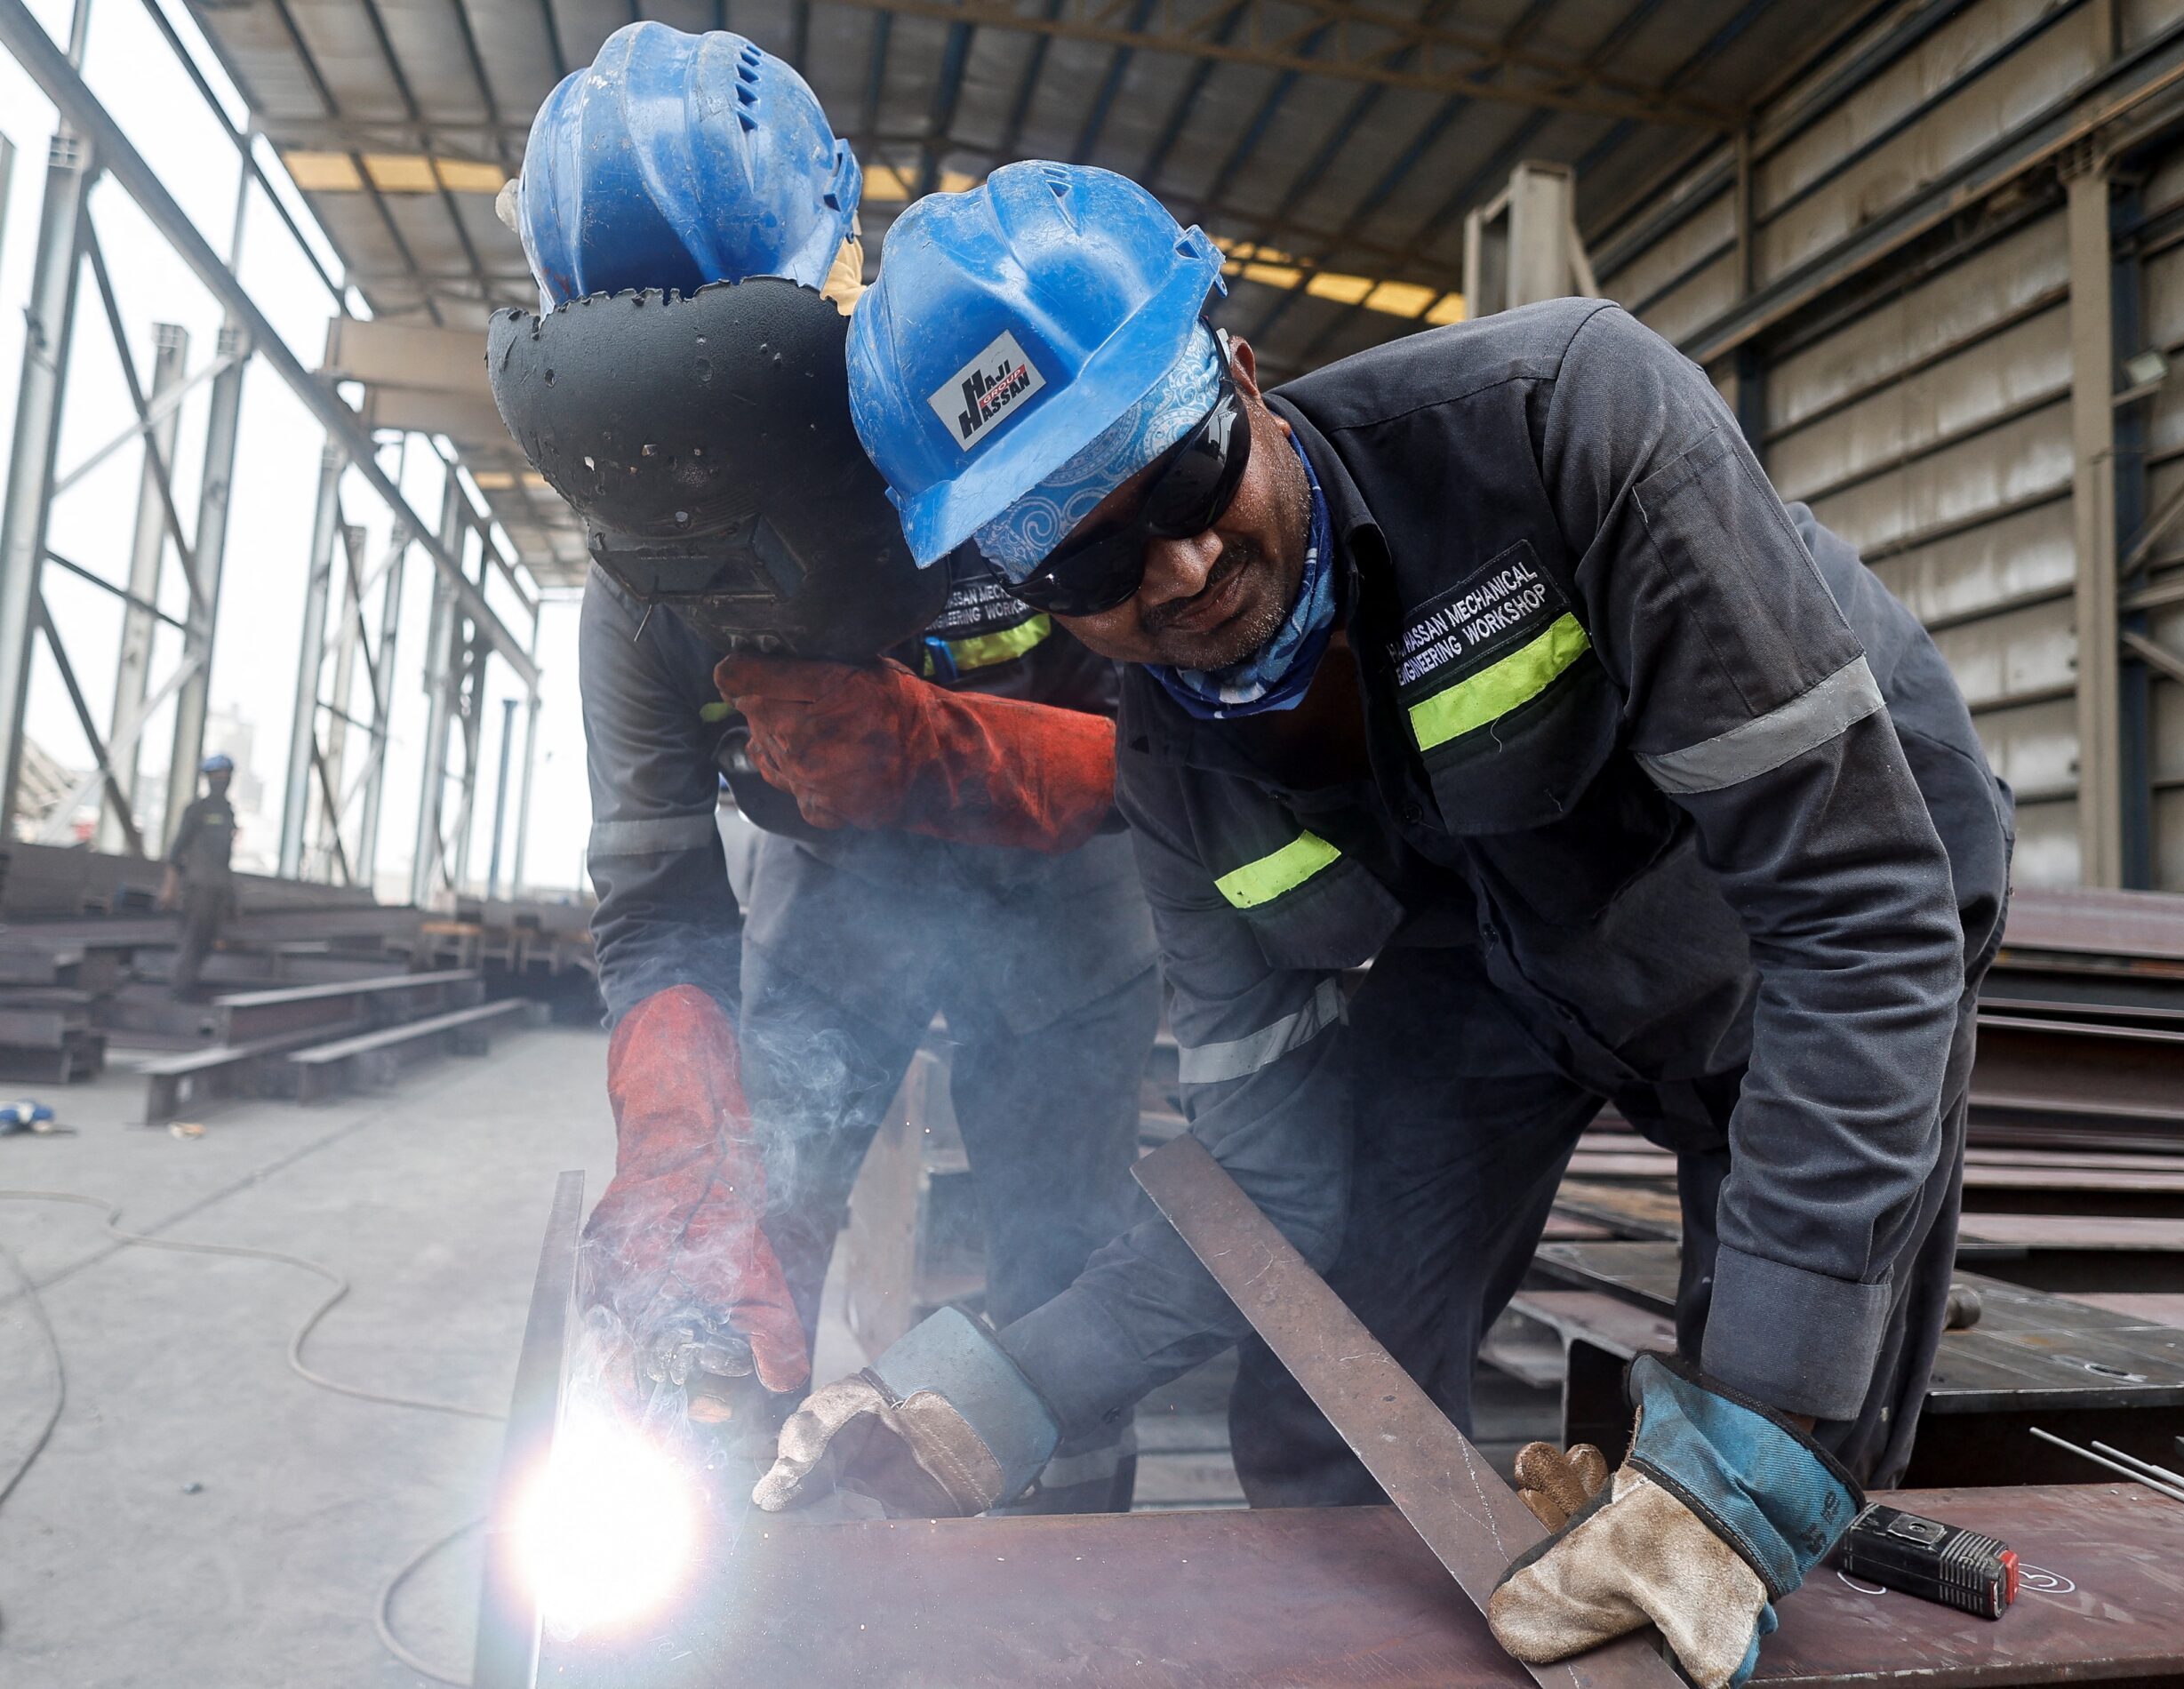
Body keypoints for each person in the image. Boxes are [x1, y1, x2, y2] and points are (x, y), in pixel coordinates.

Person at [756, 163, 2014, 1687]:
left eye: (1187, 474)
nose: (1184, 568)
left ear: (1240, 376)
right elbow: (1272, 1185)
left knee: (1776, 1438)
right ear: (1026, 589)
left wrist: (1746, 1448)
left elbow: (1855, 918)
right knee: (1322, 1383)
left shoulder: (1560, 425)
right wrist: (991, 1392)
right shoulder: (1177, 780)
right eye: (1089, 561)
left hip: (1807, 898)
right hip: (1502, 947)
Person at [493, 28, 1158, 1510]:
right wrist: (679, 1155)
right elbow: (660, 902)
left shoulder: (998, 437)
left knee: (1064, 1287)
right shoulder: (636, 599)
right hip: (833, 920)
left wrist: (951, 757)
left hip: (1069, 923)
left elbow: (1184, 762)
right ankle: (729, 1533)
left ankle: (1075, 1582)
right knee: (740, 1256)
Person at [159, 753, 237, 998]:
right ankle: (178, 991)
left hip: (219, 888)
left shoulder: (228, 812)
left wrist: (232, 896)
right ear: (208, 778)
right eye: (216, 775)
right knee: (193, 940)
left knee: (206, 941)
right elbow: (176, 851)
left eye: (225, 775)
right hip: (199, 888)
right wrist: (170, 887)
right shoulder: (197, 810)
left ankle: (188, 987)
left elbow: (225, 859)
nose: (221, 779)